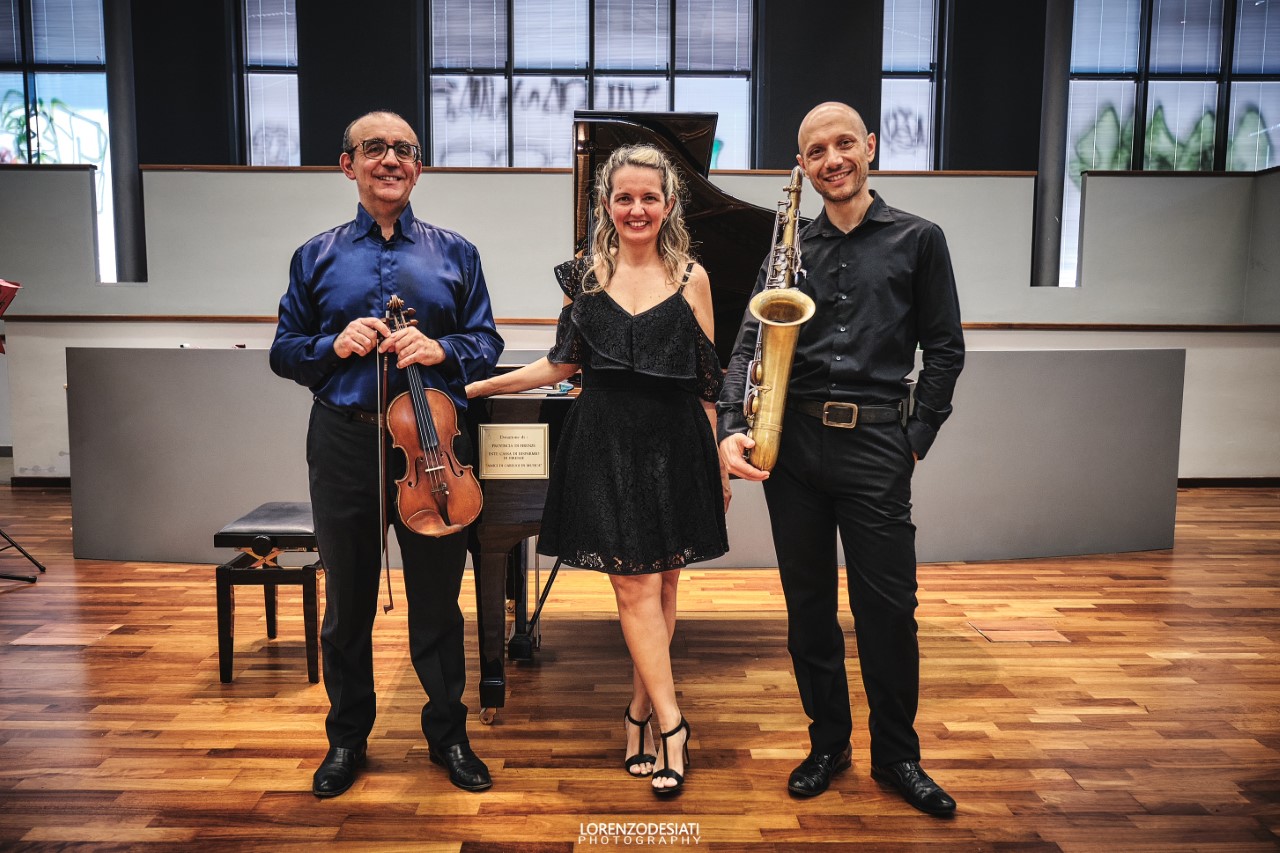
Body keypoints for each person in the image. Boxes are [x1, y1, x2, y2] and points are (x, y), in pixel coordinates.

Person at [717, 102, 965, 816]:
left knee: (888, 610)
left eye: (844, 143)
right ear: (802, 165)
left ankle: (898, 755)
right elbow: (748, 343)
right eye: (816, 150)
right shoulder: (788, 247)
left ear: (870, 147)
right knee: (808, 610)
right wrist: (731, 424)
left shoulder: (920, 239)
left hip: (877, 443)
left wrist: (914, 438)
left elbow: (945, 349)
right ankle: (828, 743)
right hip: (791, 445)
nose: (833, 159)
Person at [466, 144, 729, 797]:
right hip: (604, 440)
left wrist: (719, 463)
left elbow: (707, 385)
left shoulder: (693, 277)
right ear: (606, 204)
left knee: (662, 585)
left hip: (676, 442)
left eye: (649, 197)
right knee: (633, 587)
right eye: (624, 197)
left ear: (669, 203)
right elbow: (560, 363)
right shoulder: (583, 276)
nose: (637, 208)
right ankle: (673, 724)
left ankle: (638, 712)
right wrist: (474, 388)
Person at [270, 110, 504, 799]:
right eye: (374, 148)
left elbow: (485, 342)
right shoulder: (314, 256)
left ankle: (448, 735)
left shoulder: (457, 253)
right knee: (347, 601)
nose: (390, 159)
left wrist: (441, 348)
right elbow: (285, 351)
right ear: (348, 165)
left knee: (438, 600)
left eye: (404, 149)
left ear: (418, 167)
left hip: (433, 445)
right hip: (344, 437)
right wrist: (331, 344)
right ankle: (346, 738)